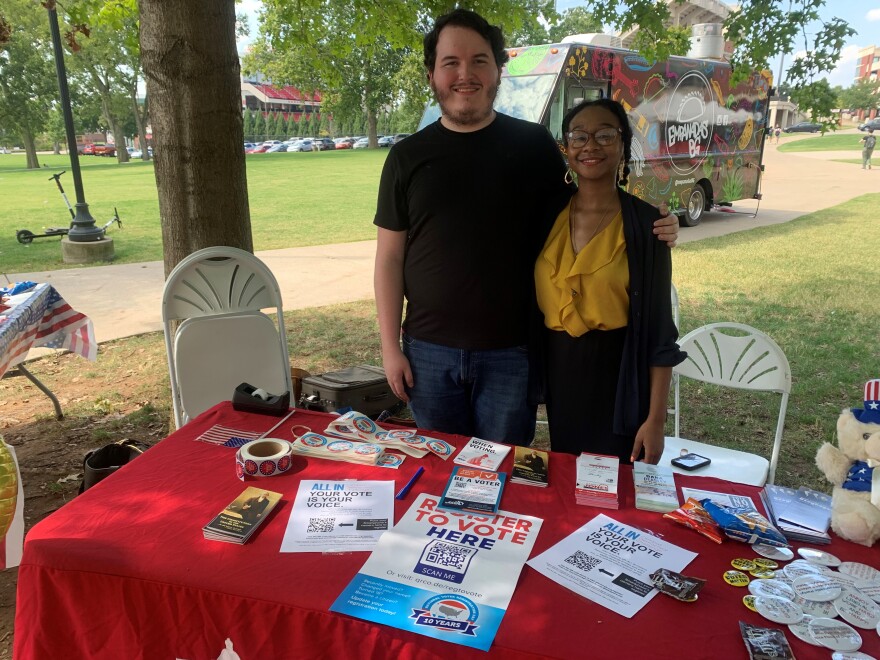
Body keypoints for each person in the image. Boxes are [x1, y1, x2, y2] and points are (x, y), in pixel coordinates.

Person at [373, 8, 679, 446]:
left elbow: (586, 207)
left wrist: (654, 223)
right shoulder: (406, 157)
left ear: (498, 71)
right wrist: (389, 347)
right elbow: (389, 257)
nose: (466, 74)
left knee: (505, 477)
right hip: (427, 352)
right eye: (451, 63)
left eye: (479, 60)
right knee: (440, 474)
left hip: (512, 353)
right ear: (431, 75)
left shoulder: (533, 146)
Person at [534, 99, 687, 464]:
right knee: (568, 477)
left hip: (620, 378)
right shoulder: (545, 216)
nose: (591, 145)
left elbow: (659, 333)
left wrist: (655, 419)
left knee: (615, 488)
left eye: (605, 134)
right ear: (566, 148)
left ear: (623, 144)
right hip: (560, 374)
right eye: (579, 136)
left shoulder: (647, 226)